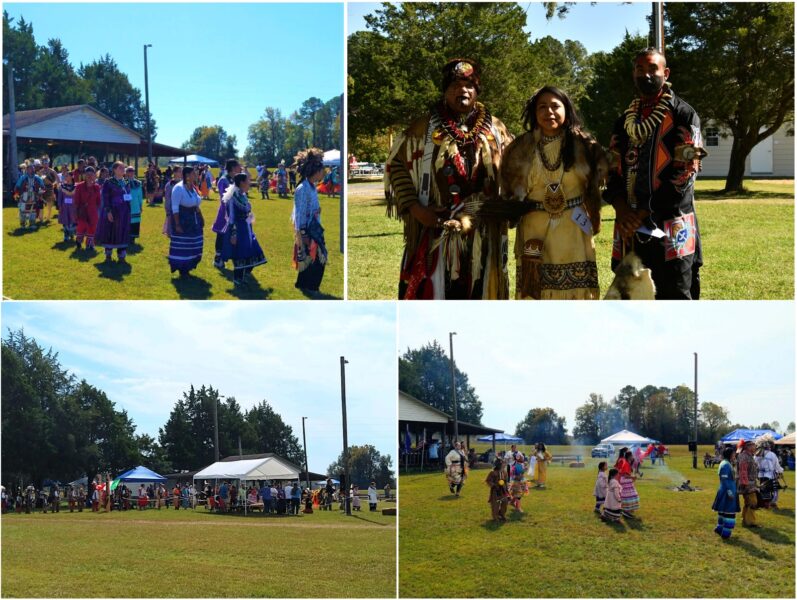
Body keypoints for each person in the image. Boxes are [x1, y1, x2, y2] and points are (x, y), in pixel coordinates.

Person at [385, 58, 512, 299]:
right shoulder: (422, 129)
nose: (462, 90)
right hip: (436, 228)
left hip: (485, 232)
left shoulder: (497, 130)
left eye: (469, 85)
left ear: (476, 91)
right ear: (445, 91)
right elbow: (397, 165)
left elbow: (514, 170)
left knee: (480, 294)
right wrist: (415, 208)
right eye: (455, 85)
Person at [604, 47, 706, 299]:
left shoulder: (683, 115)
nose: (646, 74)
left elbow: (684, 175)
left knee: (674, 295)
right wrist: (622, 210)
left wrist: (641, 212)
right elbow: (611, 170)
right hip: (629, 228)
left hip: (671, 225)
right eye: (640, 69)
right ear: (633, 74)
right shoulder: (625, 121)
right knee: (631, 297)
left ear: (665, 73)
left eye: (653, 68)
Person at [501, 86, 606, 299]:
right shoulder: (520, 147)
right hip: (534, 229)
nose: (549, 111)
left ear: (566, 109)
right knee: (535, 293)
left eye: (555, 106)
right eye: (542, 107)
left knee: (576, 295)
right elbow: (508, 190)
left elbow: (601, 180)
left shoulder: (585, 145)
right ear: (534, 112)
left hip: (573, 228)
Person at [220, 172, 268, 286]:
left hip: (247, 228)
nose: (249, 183)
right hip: (238, 229)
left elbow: (247, 211)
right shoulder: (232, 197)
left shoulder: (242, 195)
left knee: (252, 250)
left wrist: (250, 218)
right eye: (247, 181)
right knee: (240, 253)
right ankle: (238, 278)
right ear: (241, 183)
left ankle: (245, 273)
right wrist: (233, 234)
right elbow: (231, 217)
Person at [292, 148, 328, 294]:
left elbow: (308, 208)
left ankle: (304, 285)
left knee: (313, 258)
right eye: (321, 170)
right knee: (315, 258)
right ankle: (310, 286)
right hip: (307, 230)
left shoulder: (311, 187)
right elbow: (299, 213)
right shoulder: (302, 188)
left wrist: (316, 210)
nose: (323, 173)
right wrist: (303, 234)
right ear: (315, 171)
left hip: (314, 227)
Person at [168, 166, 204, 276]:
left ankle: (189, 266)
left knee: (193, 243)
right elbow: (174, 207)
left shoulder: (193, 187)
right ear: (187, 175)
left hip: (194, 220)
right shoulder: (178, 188)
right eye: (194, 173)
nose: (196, 175)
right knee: (183, 245)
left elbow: (196, 203)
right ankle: (182, 269)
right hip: (183, 220)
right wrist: (177, 224)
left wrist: (201, 217)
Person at [95, 161, 132, 263]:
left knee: (122, 231)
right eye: (120, 168)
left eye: (123, 168)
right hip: (112, 210)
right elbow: (105, 197)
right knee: (110, 231)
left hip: (124, 212)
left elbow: (128, 195)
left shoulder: (126, 182)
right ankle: (108, 254)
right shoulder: (109, 182)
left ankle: (121, 255)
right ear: (114, 170)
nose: (123, 170)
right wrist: (108, 211)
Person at [212, 159, 243, 268]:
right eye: (239, 166)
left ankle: (234, 258)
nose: (241, 168)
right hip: (225, 213)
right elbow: (225, 198)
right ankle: (218, 259)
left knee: (234, 235)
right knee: (222, 234)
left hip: (235, 212)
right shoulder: (223, 180)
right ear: (233, 168)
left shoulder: (234, 179)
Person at [712, 446, 740, 539]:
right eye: (733, 454)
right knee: (729, 512)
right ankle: (725, 533)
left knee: (723, 511)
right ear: (730, 454)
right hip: (727, 491)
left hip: (727, 489)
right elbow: (724, 479)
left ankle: (719, 528)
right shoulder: (725, 465)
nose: (735, 455)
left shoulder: (727, 463)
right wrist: (729, 492)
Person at [73, 166, 101, 250]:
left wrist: (98, 211)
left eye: (91, 174)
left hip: (93, 211)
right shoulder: (79, 186)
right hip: (82, 211)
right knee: (81, 227)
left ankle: (89, 244)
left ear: (94, 175)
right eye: (87, 174)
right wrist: (76, 212)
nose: (89, 176)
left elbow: (98, 201)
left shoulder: (96, 187)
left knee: (92, 227)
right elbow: (76, 200)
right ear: (84, 175)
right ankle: (79, 241)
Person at [737, 440, 760, 527]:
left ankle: (745, 519)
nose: (755, 447)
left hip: (750, 483)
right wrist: (745, 484)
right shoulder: (744, 456)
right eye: (753, 445)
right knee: (753, 502)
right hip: (747, 484)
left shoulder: (749, 456)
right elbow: (743, 471)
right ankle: (750, 522)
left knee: (748, 502)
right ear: (748, 447)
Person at [14, 163, 44, 229]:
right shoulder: (23, 177)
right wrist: (16, 194)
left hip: (34, 196)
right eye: (31, 169)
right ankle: (23, 224)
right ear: (27, 170)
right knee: (23, 210)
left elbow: (42, 186)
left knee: (33, 210)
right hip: (24, 196)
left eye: (33, 169)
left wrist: (40, 193)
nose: (32, 170)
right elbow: (17, 186)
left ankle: (32, 224)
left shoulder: (37, 178)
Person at [616, 449, 639, 519]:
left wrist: (632, 477)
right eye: (632, 455)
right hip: (625, 480)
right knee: (629, 496)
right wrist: (633, 477)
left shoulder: (627, 462)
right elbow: (625, 475)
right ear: (629, 456)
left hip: (625, 480)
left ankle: (627, 510)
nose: (633, 457)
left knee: (629, 496)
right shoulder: (626, 463)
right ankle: (626, 510)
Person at [125, 166, 144, 243]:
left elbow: (140, 195)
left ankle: (133, 238)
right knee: (127, 221)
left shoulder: (138, 183)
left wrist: (140, 205)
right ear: (126, 172)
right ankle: (126, 237)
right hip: (126, 205)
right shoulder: (122, 182)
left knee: (135, 221)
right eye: (129, 171)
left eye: (132, 171)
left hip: (135, 205)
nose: (131, 172)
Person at [57, 171, 77, 241]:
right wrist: (59, 206)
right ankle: (66, 235)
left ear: (71, 177)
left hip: (73, 207)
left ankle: (72, 233)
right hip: (64, 206)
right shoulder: (62, 186)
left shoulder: (76, 187)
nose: (65, 177)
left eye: (67, 176)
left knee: (73, 220)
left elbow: (78, 197)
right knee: (65, 220)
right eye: (65, 176)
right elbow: (60, 197)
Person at [40, 157, 59, 222]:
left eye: (46, 163)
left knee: (49, 203)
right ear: (42, 164)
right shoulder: (40, 172)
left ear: (48, 163)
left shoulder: (52, 171)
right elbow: (38, 180)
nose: (45, 164)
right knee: (41, 203)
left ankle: (48, 217)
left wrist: (54, 184)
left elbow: (57, 179)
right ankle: (41, 217)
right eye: (43, 163)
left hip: (50, 188)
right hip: (42, 188)